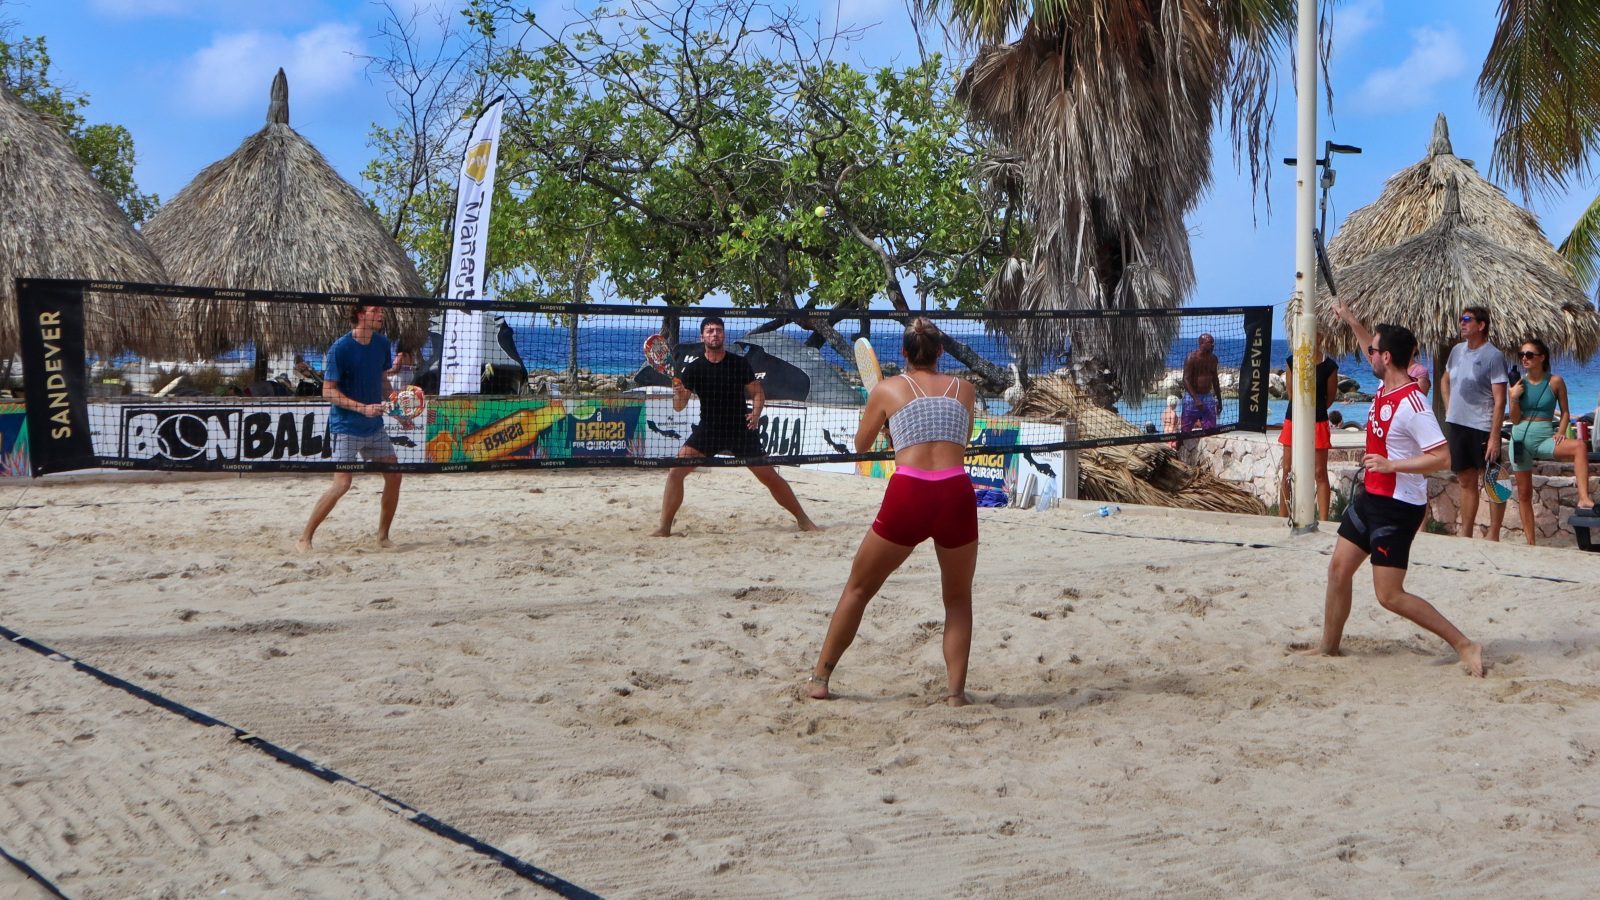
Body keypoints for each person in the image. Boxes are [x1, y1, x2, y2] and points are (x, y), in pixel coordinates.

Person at [807, 318, 978, 706]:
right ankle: (955, 694)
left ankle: (820, 678)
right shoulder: (965, 389)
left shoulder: (887, 390)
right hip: (954, 491)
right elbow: (957, 440)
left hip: (911, 491)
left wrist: (886, 425)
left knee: (858, 588)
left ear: (903, 352)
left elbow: (861, 447)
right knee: (957, 599)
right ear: (940, 352)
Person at [1297, 323, 1484, 677]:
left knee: (1390, 596)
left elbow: (1442, 458)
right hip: (1371, 498)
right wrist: (1351, 320)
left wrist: (1391, 464)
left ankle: (1464, 644)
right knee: (1338, 570)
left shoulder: (1414, 404)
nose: (1369, 353)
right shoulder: (1385, 385)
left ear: (1386, 357)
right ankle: (1328, 648)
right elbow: (1372, 346)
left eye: (1374, 350)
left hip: (1398, 507)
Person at [653, 316, 819, 536]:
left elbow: (758, 392)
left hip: (740, 429)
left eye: (718, 330)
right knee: (675, 472)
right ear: (702, 336)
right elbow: (679, 407)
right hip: (709, 430)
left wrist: (757, 413)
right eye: (710, 331)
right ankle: (664, 528)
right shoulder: (693, 369)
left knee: (769, 477)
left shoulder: (738, 363)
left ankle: (803, 519)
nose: (715, 334)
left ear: (724, 335)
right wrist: (679, 394)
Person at [298, 302, 402, 552]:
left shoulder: (381, 344)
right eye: (374, 311)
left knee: (395, 475)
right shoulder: (340, 348)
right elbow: (328, 391)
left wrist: (399, 410)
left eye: (380, 311)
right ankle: (305, 538)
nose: (380, 314)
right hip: (346, 426)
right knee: (342, 484)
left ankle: (383, 537)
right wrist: (362, 408)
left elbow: (382, 381)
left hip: (374, 427)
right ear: (359, 315)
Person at [1507, 339, 1597, 544]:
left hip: (1544, 437)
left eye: (1529, 355)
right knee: (1524, 494)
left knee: (1580, 447)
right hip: (1520, 439)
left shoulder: (1555, 381)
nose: (1524, 358)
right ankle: (1531, 542)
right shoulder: (1518, 384)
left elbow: (1565, 411)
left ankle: (1583, 497)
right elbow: (1514, 419)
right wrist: (1513, 397)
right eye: (1522, 354)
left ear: (1542, 357)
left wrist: (1561, 431)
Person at [1439, 306, 1508, 539]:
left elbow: (1500, 400)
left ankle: (1495, 533)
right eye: (1461, 319)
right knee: (1466, 480)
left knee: (1493, 479)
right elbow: (1444, 380)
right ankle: (1466, 535)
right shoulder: (1457, 351)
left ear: (1481, 325)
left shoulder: (1494, 356)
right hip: (1459, 426)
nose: (1462, 322)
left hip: (1483, 426)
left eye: (1467, 319)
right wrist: (1450, 409)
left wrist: (1495, 436)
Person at [1278, 340, 1340, 519]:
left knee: (1320, 472)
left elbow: (1329, 398)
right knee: (1287, 470)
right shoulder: (1293, 361)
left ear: (1321, 338)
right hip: (1293, 418)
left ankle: (1324, 520)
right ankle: (1283, 516)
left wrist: (1314, 409)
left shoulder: (1329, 366)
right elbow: (1290, 393)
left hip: (1318, 420)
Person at [1180, 333, 1222, 432]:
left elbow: (1215, 380)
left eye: (1213, 342)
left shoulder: (1213, 359)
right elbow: (1185, 380)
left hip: (1207, 397)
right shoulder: (1192, 358)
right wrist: (1196, 399)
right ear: (1201, 343)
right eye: (1209, 343)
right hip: (1192, 398)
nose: (1212, 345)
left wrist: (1219, 400)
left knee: (1211, 428)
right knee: (1186, 429)